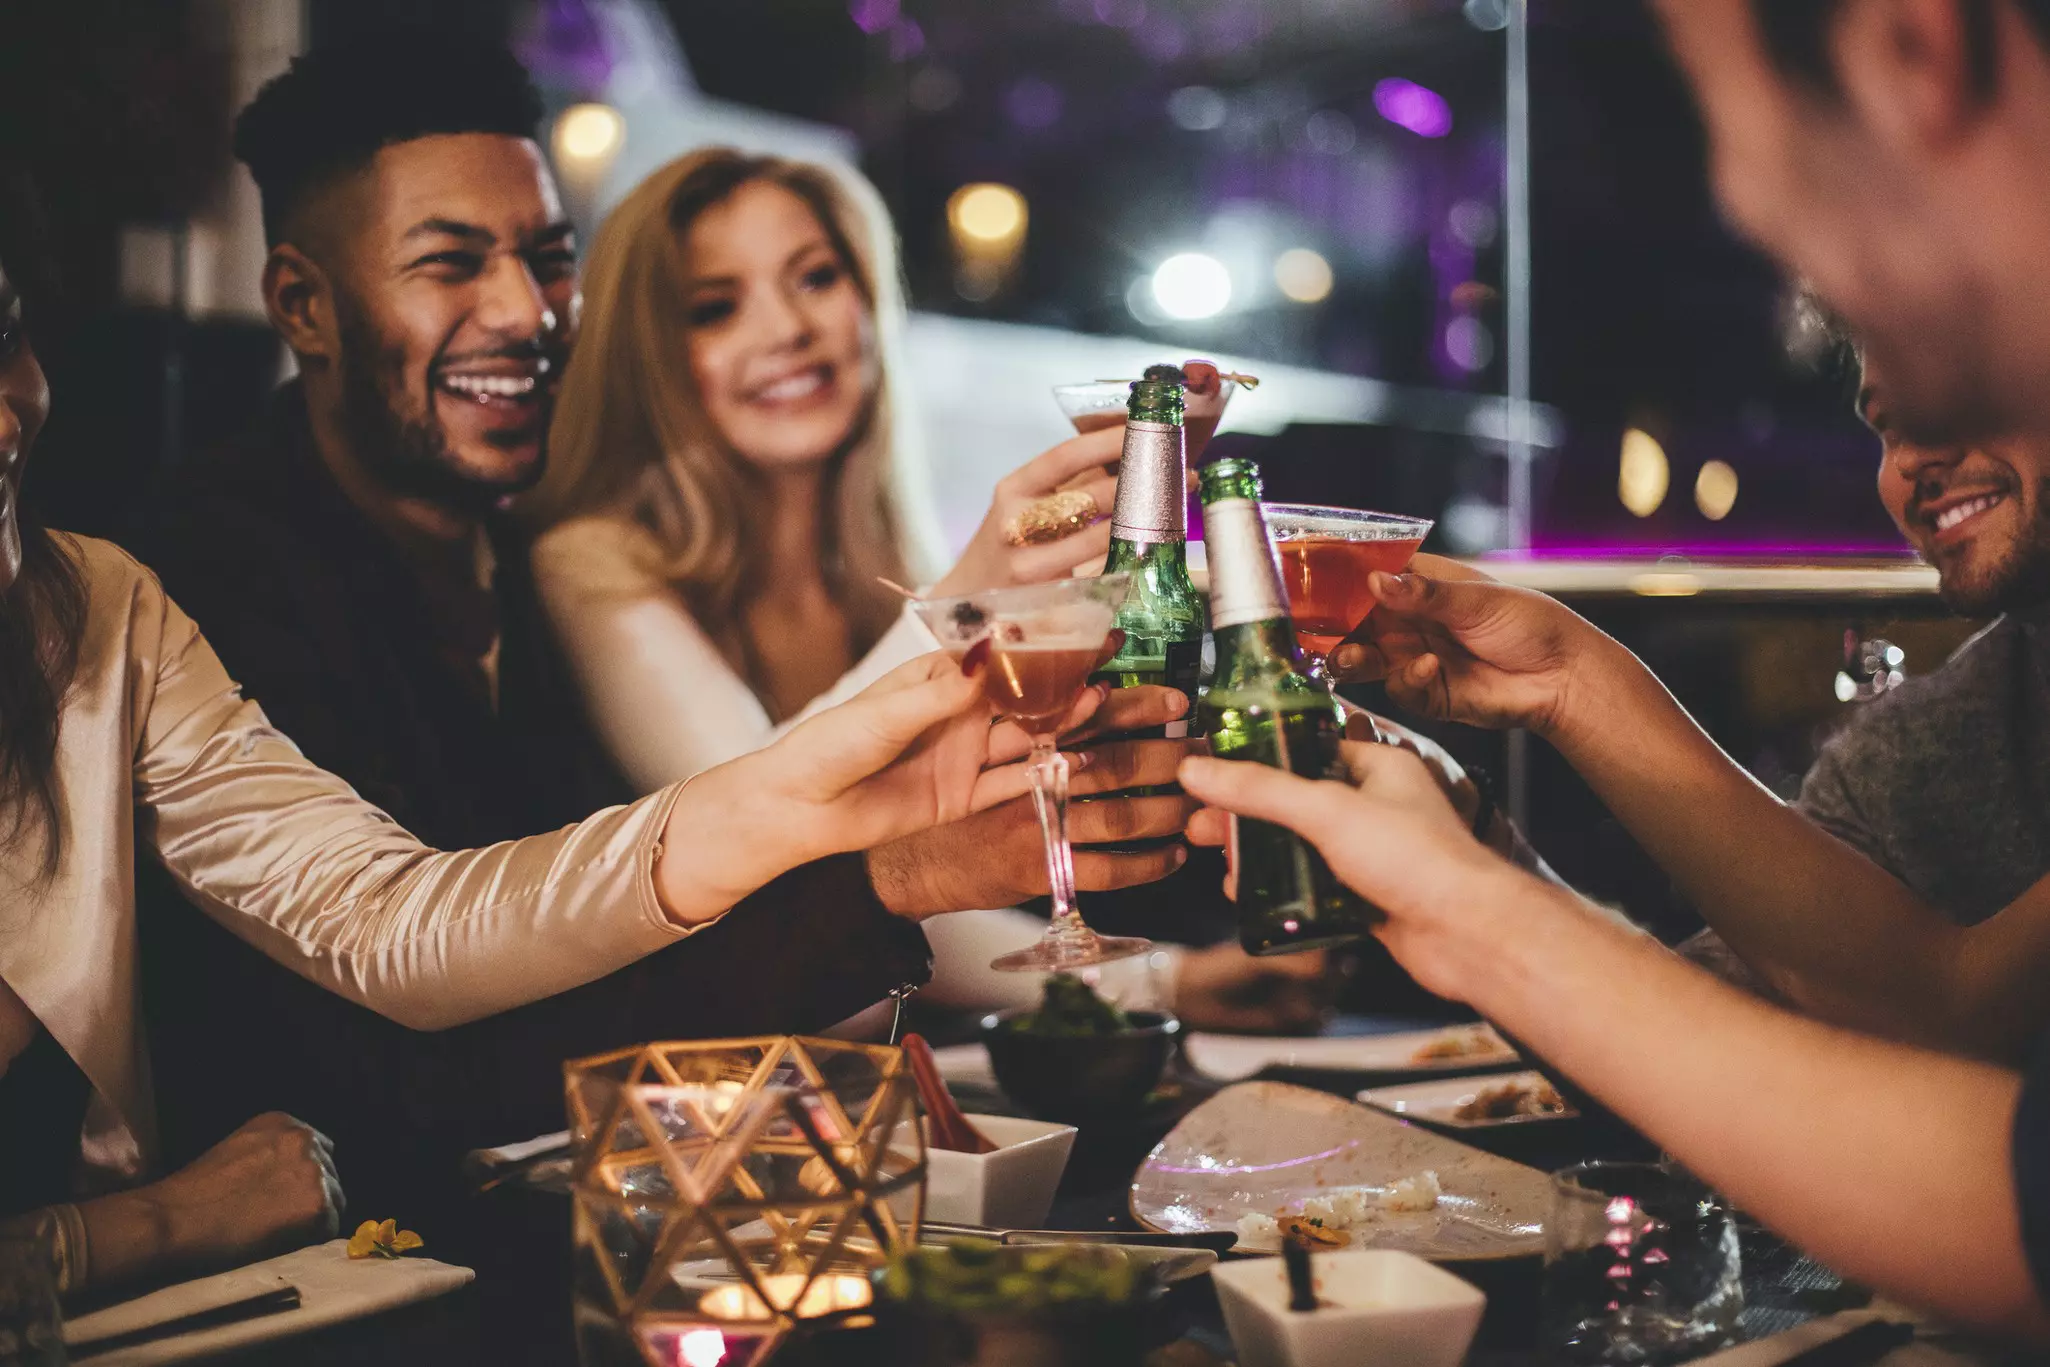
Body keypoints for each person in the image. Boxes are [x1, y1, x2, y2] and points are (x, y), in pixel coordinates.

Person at [0, 189, 1160, 1303]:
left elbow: (387, 922)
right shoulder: (265, 556)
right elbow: (403, 1071)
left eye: (5, 338)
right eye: (449, 259)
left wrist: (871, 839)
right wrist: (128, 1230)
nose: (525, 310)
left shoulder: (99, 603)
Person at [1173, 0, 2050, 1338]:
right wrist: (1557, 714)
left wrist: (1479, 912)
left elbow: (2004, 1193)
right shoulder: (1980, 706)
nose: (1751, 208)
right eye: (1882, 418)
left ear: (1909, 51)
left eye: (1726, 127)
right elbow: (1905, 1020)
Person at [521, 146, 1333, 1030]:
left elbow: (914, 893)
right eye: (716, 307)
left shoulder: (883, 570)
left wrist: (1167, 982)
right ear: (650, 358)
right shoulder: (590, 561)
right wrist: (971, 592)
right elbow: (749, 820)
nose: (787, 328)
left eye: (816, 277)